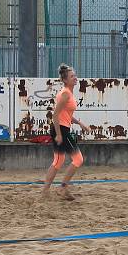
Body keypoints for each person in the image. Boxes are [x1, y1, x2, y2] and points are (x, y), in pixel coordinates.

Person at [41, 64, 90, 200]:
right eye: (72, 76)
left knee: (58, 160)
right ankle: (62, 187)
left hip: (62, 128)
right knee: (78, 159)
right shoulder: (65, 94)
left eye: (75, 75)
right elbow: (55, 115)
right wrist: (59, 134)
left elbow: (66, 114)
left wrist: (80, 123)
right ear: (65, 80)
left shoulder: (68, 93)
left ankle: (45, 191)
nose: (75, 78)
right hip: (61, 129)